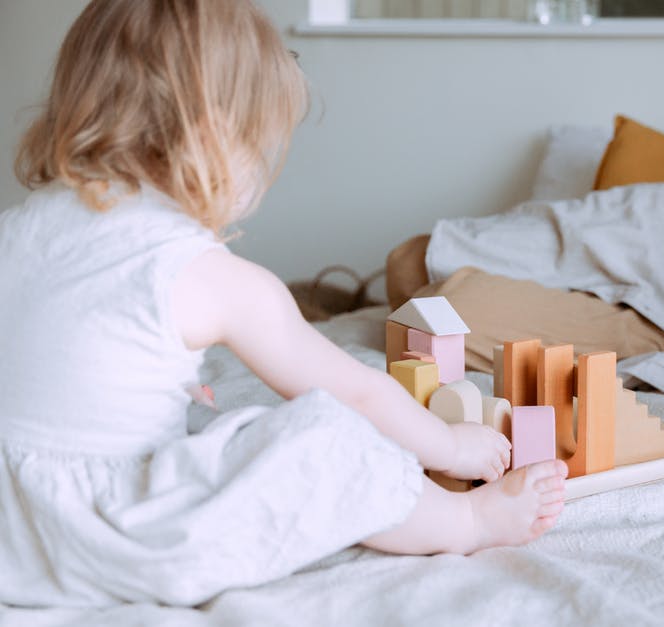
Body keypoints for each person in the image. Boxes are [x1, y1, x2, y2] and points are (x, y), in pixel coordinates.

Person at [0, 0, 567, 607]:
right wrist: (453, 445)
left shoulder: (16, 230)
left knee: (207, 423)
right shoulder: (210, 276)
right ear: (217, 139)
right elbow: (359, 393)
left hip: (11, 531)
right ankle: (469, 524)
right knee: (329, 436)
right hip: (114, 541)